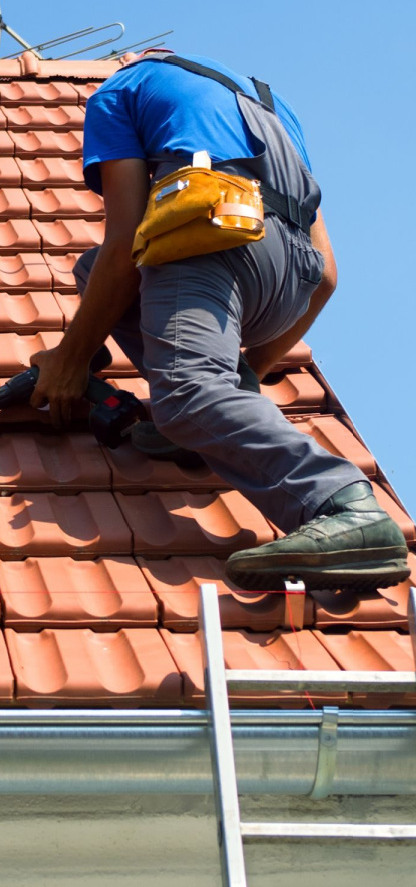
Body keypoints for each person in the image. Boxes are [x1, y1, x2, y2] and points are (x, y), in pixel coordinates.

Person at [27, 50, 410, 591]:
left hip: (216, 242)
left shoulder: (117, 94)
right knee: (96, 274)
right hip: (288, 282)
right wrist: (248, 370)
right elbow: (326, 277)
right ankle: (212, 416)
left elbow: (122, 245)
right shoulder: (270, 105)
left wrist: (69, 359)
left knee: (183, 392)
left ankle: (342, 505)